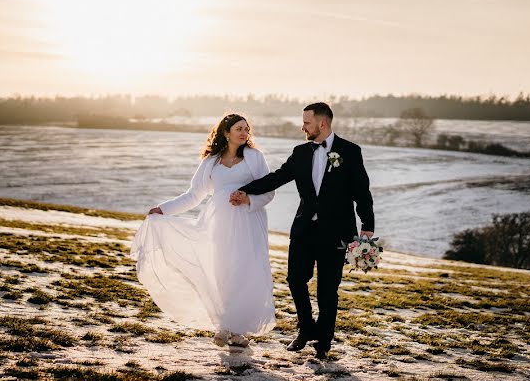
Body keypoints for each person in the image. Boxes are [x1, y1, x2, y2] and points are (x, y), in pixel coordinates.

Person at [230, 102, 373, 359]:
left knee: (328, 289)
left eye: (306, 122)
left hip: (338, 232)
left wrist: (368, 227)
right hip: (304, 229)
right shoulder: (300, 152)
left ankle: (324, 341)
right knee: (295, 280)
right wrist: (246, 190)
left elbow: (362, 192)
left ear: (323, 123)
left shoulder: (350, 152)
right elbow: (277, 177)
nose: (302, 127)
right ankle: (306, 328)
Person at [131, 114, 276, 348]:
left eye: (247, 130)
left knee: (245, 271)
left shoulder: (255, 157)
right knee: (222, 272)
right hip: (218, 223)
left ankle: (238, 330)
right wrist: (163, 209)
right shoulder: (211, 161)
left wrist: (248, 198)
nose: (244, 133)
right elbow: (194, 195)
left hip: (249, 222)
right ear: (226, 132)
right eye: (239, 128)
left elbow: (269, 191)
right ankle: (224, 326)